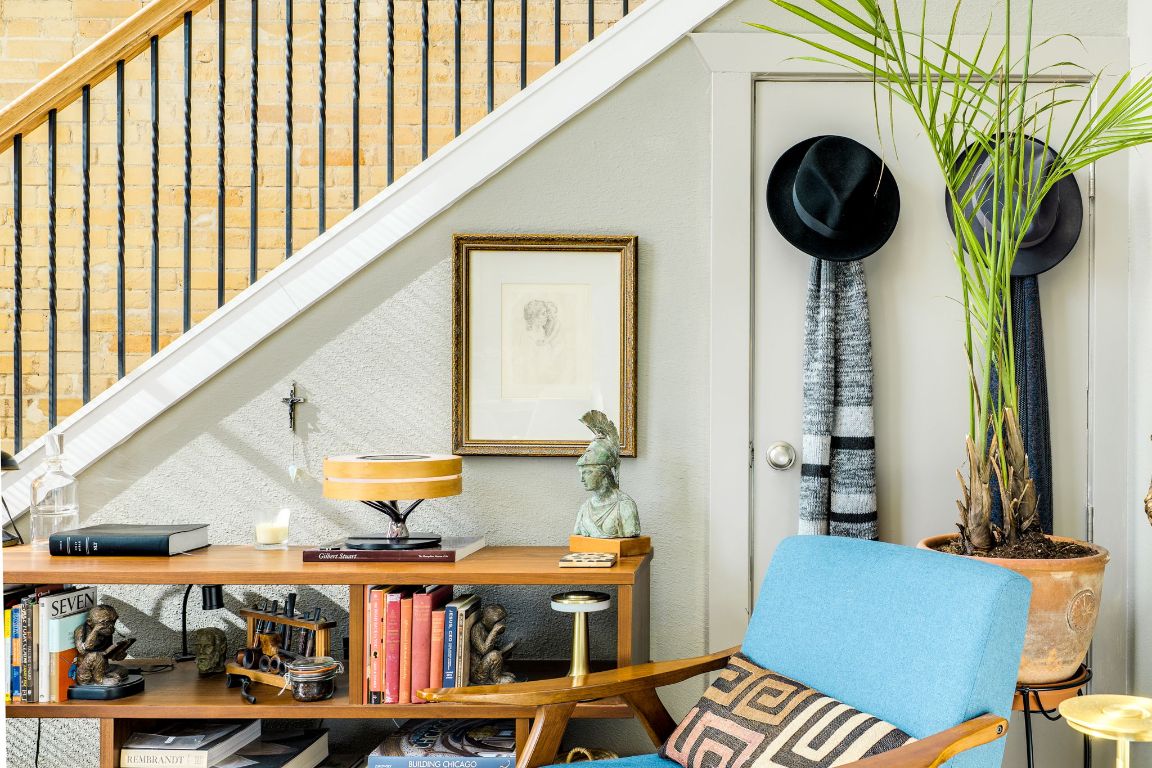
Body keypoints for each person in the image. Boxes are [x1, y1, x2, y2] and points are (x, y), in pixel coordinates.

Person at [573, 411, 640, 538]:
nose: (582, 479)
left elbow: (631, 533)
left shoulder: (624, 505)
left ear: (603, 472)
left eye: (587, 472)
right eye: (581, 473)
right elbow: (577, 537)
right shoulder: (585, 508)